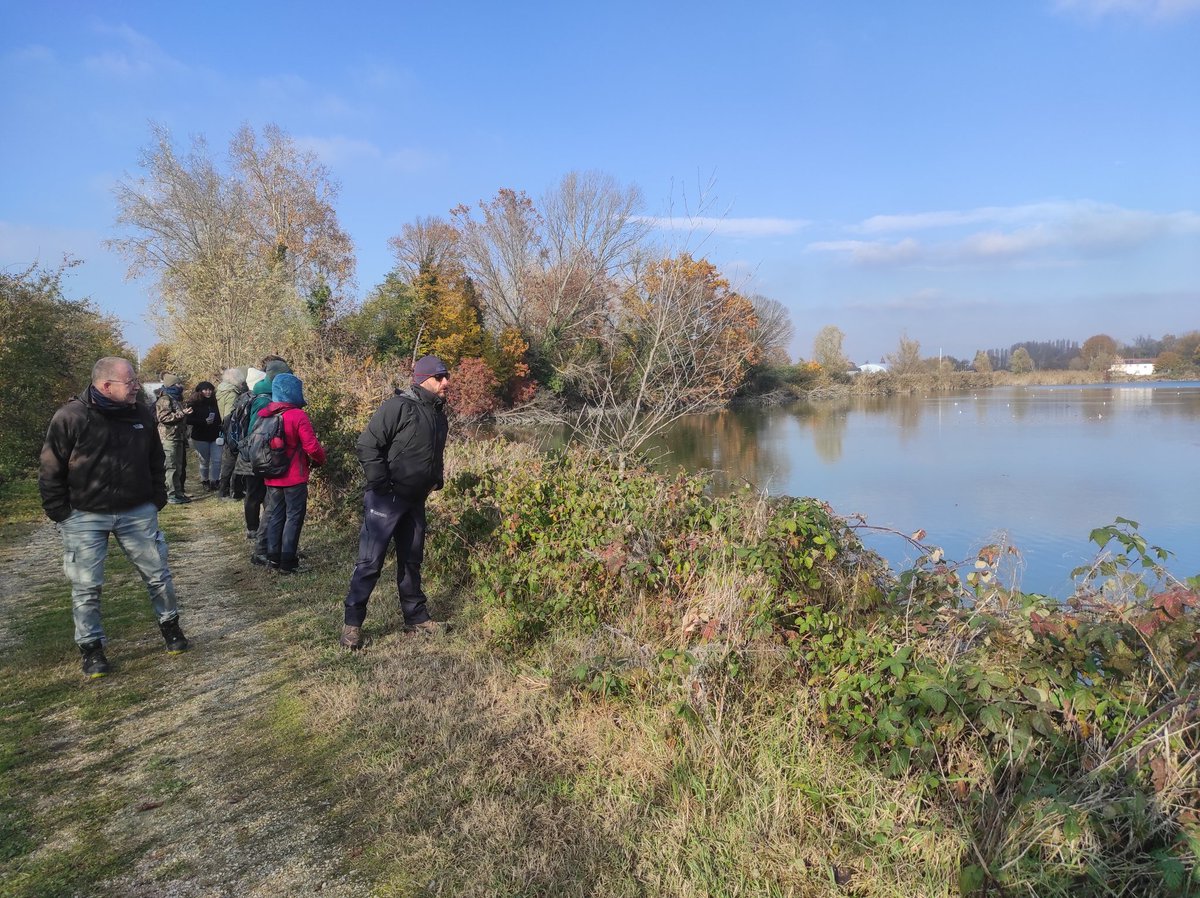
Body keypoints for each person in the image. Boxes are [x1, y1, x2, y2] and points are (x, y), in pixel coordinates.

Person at [38, 357, 189, 679]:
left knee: (158, 575)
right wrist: (61, 513)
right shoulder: (70, 417)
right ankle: (91, 648)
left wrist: (156, 498)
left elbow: (155, 457)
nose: (137, 386)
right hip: (85, 516)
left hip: (137, 511)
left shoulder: (141, 414)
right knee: (87, 586)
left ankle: (171, 628)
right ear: (106, 386)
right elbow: (51, 468)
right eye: (130, 381)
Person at [340, 355, 451, 650]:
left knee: (412, 561)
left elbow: (434, 454)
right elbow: (367, 445)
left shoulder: (438, 414)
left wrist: (436, 480)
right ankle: (352, 625)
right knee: (370, 563)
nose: (446, 382)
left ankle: (416, 618)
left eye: (447, 376)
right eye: (439, 377)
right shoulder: (398, 407)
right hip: (386, 500)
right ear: (423, 379)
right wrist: (380, 484)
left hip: (415, 501)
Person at [252, 373, 326, 573]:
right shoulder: (297, 415)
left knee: (276, 516)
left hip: (271, 475)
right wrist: (321, 460)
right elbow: (311, 447)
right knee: (294, 517)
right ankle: (288, 562)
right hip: (294, 476)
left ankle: (273, 559)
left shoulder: (265, 414)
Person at [154, 373, 191, 504]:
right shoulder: (165, 399)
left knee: (178, 467)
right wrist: (182, 413)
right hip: (168, 437)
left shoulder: (176, 398)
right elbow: (163, 417)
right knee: (171, 467)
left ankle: (178, 493)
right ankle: (170, 494)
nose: (181, 386)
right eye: (178, 383)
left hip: (178, 436)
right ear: (172, 385)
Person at [215, 366, 247, 500]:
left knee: (228, 461)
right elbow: (230, 415)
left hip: (225, 427)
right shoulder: (232, 393)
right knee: (231, 461)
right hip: (232, 430)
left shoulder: (221, 390)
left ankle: (226, 490)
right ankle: (229, 491)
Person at [186, 381, 222, 491]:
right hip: (200, 437)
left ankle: (215, 481)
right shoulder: (193, 404)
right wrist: (203, 421)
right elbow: (188, 420)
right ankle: (205, 480)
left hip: (215, 435)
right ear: (200, 391)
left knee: (217, 460)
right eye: (205, 390)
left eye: (210, 389)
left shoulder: (216, 402)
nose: (208, 392)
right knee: (204, 461)